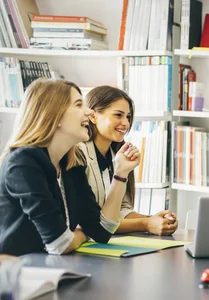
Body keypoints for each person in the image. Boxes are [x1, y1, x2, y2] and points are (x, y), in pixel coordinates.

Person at [0, 79, 140, 256]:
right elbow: (59, 243)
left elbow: (103, 230)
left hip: (51, 270)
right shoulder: (24, 162)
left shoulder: (70, 163)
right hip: (18, 274)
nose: (88, 112)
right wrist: (81, 235)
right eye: (78, 104)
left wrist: (121, 173)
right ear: (54, 115)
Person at [81, 85, 178, 235]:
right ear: (93, 116)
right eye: (118, 115)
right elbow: (97, 222)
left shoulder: (117, 155)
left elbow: (121, 210)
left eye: (128, 116)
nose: (125, 123)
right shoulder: (79, 154)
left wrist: (156, 219)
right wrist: (145, 224)